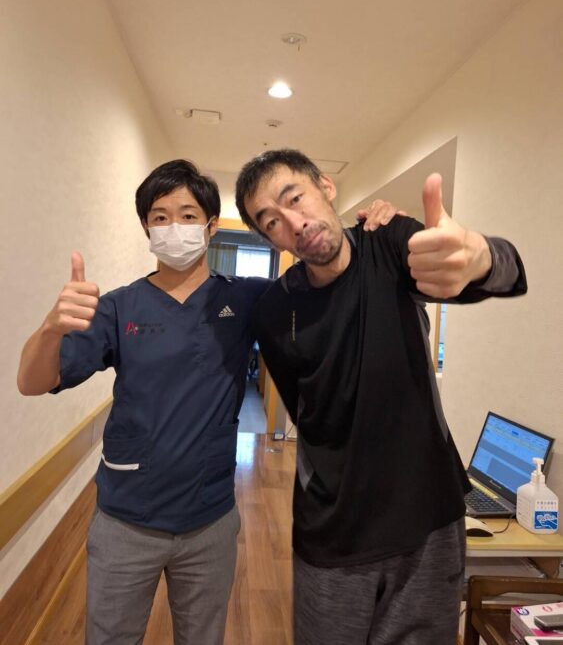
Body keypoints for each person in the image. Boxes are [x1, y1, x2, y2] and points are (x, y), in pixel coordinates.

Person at [17, 158, 396, 645]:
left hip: (209, 521)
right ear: (146, 229)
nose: (173, 227)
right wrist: (50, 329)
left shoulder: (247, 298)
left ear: (211, 226)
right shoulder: (118, 307)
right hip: (126, 521)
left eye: (188, 215)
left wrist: (373, 232)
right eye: (160, 217)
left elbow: (330, 277)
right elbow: (33, 382)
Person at [235, 149, 527, 645]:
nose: (295, 223)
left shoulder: (389, 242)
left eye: (295, 198)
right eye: (272, 222)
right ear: (271, 240)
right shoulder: (274, 311)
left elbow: (504, 272)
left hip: (428, 521)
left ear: (325, 186)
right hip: (332, 532)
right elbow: (305, 411)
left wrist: (479, 257)